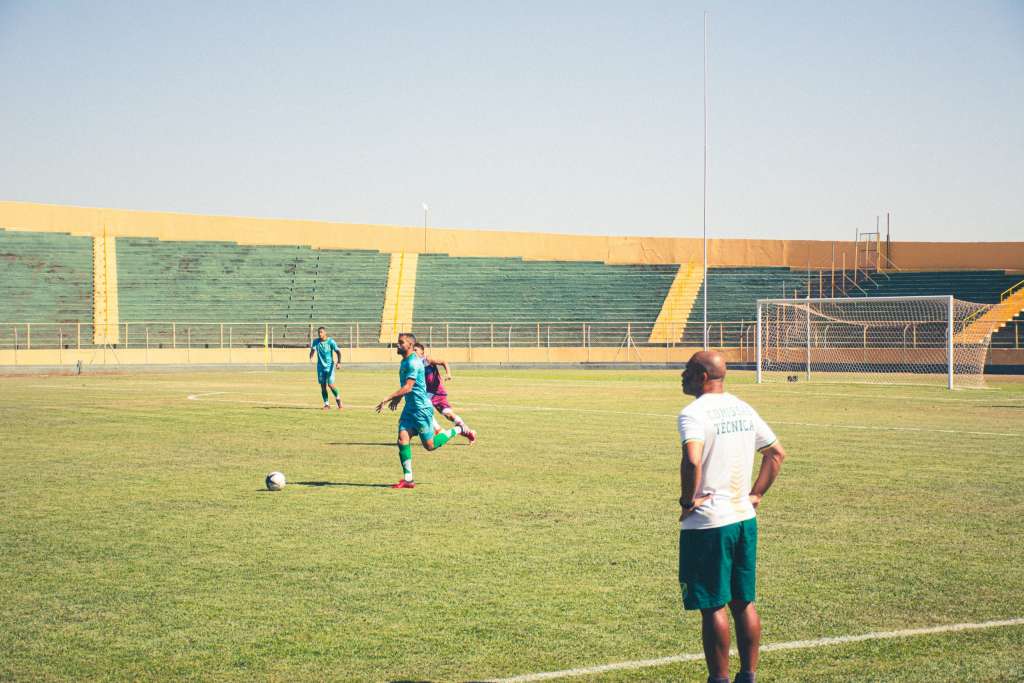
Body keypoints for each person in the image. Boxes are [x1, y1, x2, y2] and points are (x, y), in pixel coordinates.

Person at [677, 351, 787, 683]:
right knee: (743, 601)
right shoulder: (742, 407)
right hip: (743, 518)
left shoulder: (693, 413)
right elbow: (776, 453)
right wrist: (756, 494)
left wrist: (686, 500)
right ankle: (748, 676)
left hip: (710, 522)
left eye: (687, 370)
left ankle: (719, 679)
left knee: (713, 605)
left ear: (702, 377)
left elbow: (693, 461)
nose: (682, 375)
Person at [375, 332, 473, 489]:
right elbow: (406, 386)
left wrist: (387, 398)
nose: (398, 345)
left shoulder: (413, 363)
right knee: (402, 439)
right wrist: (398, 398)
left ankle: (458, 429)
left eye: (401, 343)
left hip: (421, 409)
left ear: (410, 345)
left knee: (430, 445)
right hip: (410, 408)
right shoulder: (405, 361)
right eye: (398, 342)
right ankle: (408, 479)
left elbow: (408, 386)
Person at [413, 342, 477, 444]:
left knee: (423, 409)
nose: (413, 352)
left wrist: (448, 374)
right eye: (412, 350)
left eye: (415, 350)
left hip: (436, 391)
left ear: (422, 352)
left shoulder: (427, 359)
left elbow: (444, 361)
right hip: (428, 393)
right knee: (447, 414)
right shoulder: (414, 364)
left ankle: (439, 430)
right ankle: (469, 433)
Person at [309, 326, 343, 410]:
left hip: (329, 366)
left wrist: (339, 362)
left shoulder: (331, 341)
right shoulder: (316, 342)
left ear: (325, 333)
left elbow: (338, 352)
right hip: (320, 367)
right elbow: (313, 350)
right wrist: (311, 356)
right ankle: (326, 404)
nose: (319, 334)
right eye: (318, 332)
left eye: (321, 332)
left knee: (330, 385)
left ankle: (338, 400)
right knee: (323, 386)